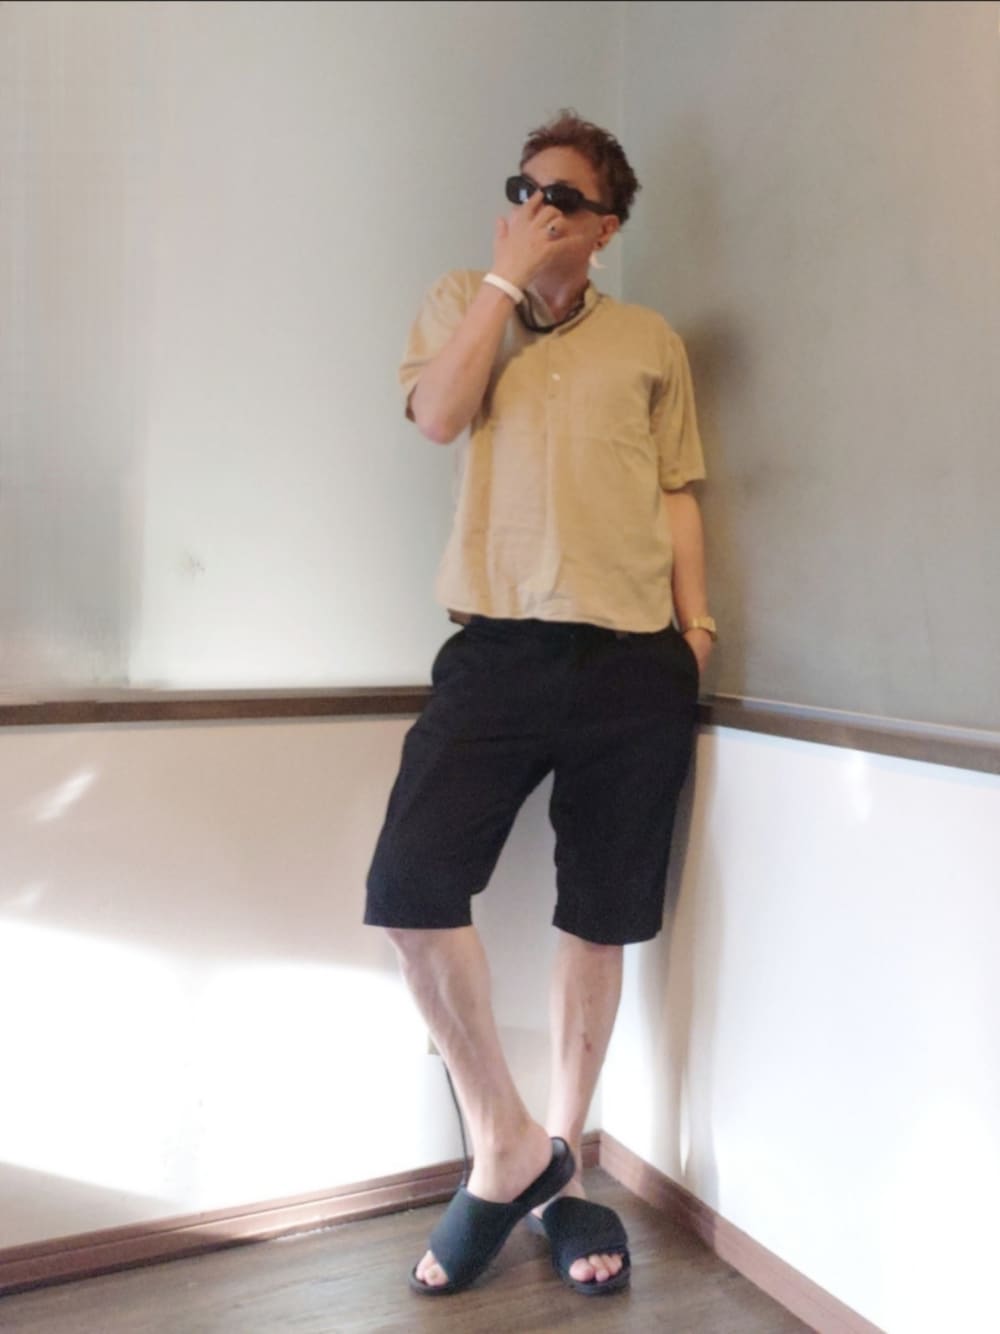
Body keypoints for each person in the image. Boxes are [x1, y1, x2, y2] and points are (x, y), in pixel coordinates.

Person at [365, 110, 716, 1297]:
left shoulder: (650, 340)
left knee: (597, 917)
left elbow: (675, 491)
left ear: (605, 227)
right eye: (524, 189)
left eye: (562, 197)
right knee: (411, 889)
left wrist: (699, 629)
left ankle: (561, 1175)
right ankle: (506, 1147)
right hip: (497, 647)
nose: (536, 208)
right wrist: (504, 282)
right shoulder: (460, 300)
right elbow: (436, 415)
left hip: (633, 658)